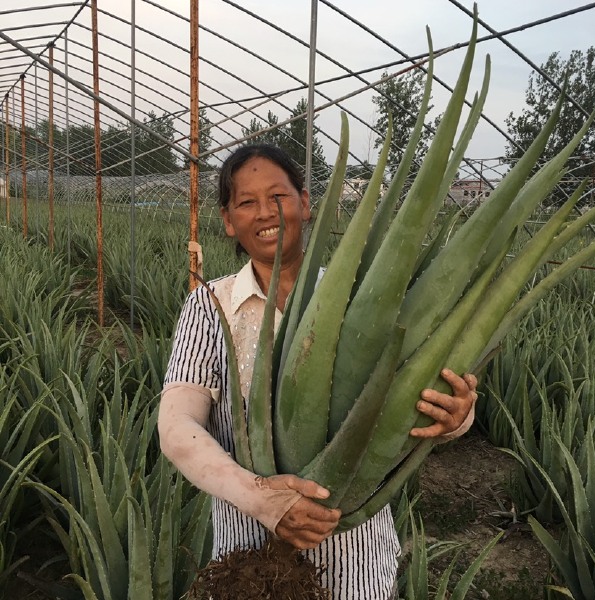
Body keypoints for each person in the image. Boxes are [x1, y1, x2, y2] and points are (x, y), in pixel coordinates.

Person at [158, 144, 478, 600]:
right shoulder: (211, 306)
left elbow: (419, 393)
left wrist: (456, 416)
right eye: (246, 202)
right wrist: (261, 498)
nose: (266, 211)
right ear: (228, 221)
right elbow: (175, 425)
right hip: (250, 560)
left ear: (305, 204)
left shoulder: (361, 297)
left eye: (279, 195)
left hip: (355, 557)